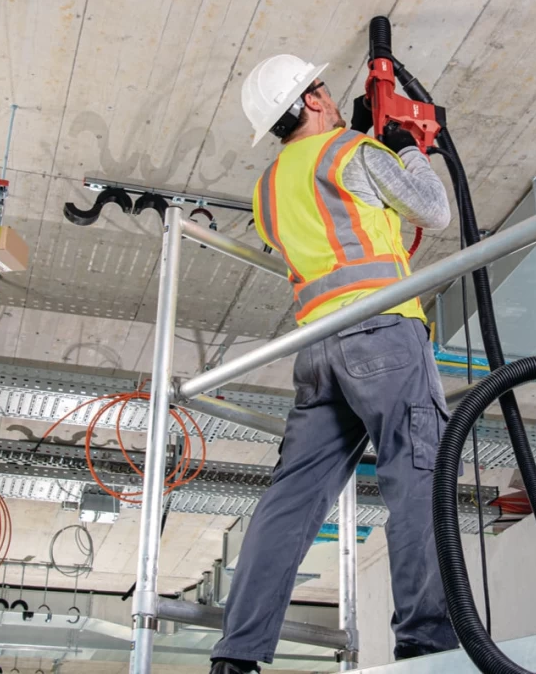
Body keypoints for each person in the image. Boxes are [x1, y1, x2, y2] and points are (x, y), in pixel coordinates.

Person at [207, 53, 458, 673]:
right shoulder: (352, 152)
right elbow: (434, 211)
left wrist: (371, 143)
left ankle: (236, 655)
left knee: (292, 498)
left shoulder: (267, 188)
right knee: (417, 475)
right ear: (315, 98)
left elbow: (329, 223)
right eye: (324, 88)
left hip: (318, 351)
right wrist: (405, 146)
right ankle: (425, 647)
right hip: (383, 334)